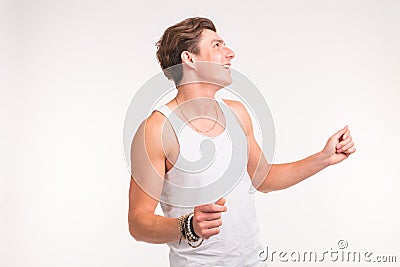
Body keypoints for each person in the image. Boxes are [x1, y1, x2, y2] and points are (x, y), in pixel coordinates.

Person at [128, 17, 356, 267]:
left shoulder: (237, 113)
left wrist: (323, 158)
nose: (230, 53)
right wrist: (188, 226)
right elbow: (138, 223)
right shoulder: (157, 128)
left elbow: (264, 179)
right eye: (217, 45)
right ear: (189, 58)